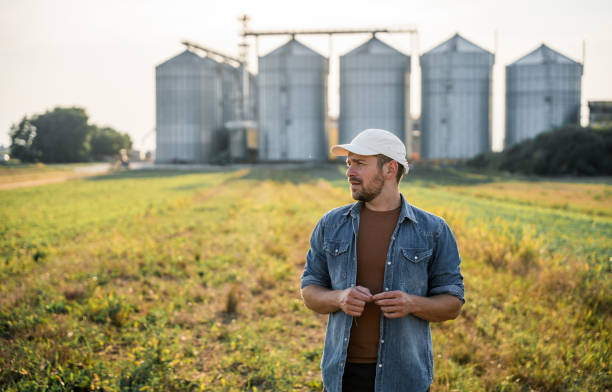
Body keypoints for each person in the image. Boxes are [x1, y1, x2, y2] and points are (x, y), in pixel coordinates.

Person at [300, 129, 464, 392]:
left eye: (360, 163)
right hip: (343, 376)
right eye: (349, 163)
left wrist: (412, 303)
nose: (350, 172)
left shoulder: (433, 230)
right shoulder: (331, 225)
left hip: (405, 377)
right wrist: (340, 298)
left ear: (390, 168)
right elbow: (310, 292)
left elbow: (453, 304)